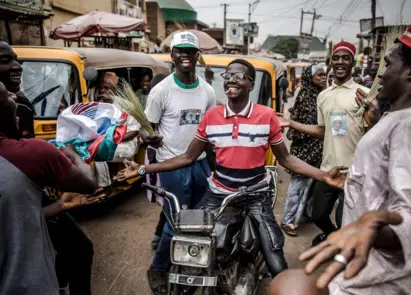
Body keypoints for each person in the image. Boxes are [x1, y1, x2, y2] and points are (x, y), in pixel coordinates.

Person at [270, 15, 411, 294]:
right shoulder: (397, 117)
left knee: (289, 285)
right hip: (364, 267)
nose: (380, 74)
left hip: (377, 277)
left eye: (388, 65)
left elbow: (408, 218)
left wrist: (369, 228)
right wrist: (353, 181)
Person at [115, 58, 345, 281]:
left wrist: (323, 175)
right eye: (228, 76)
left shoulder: (266, 116)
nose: (231, 80)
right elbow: (188, 157)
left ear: (251, 85)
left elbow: (286, 160)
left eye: (238, 76)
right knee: (192, 246)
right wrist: (145, 169)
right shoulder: (210, 118)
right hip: (218, 194)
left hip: (256, 195)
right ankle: (164, 272)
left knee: (275, 257)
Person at [0, 82, 98, 294]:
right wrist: (74, 154)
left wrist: (60, 205)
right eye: (6, 95)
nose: (15, 97)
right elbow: (89, 183)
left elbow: (17, 213)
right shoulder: (30, 154)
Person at [140, 31, 216, 295]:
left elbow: (211, 131)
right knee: (178, 222)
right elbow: (145, 127)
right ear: (172, 56)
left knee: (200, 220)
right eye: (179, 51)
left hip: (200, 163)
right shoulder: (161, 91)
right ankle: (158, 268)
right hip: (172, 165)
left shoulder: (207, 91)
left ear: (198, 56)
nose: (185, 55)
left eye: (190, 51)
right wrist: (149, 138)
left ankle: (188, 262)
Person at [278, 41, 370, 246]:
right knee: (318, 215)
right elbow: (323, 131)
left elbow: (372, 130)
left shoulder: (363, 93)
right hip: (328, 170)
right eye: (336, 58)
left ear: (353, 62)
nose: (340, 62)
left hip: (354, 172)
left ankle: (342, 253)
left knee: (344, 220)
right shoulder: (323, 96)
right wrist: (292, 123)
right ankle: (333, 238)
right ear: (331, 62)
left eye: (345, 58)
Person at [281, 64, 326, 237]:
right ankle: (287, 221)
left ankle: (303, 214)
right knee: (298, 186)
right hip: (305, 149)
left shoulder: (318, 95)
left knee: (310, 186)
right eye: (319, 75)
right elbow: (305, 125)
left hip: (316, 149)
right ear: (310, 77)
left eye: (324, 74)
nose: (323, 77)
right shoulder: (307, 96)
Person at [144, 73, 168, 250]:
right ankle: (161, 236)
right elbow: (144, 131)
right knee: (169, 200)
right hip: (161, 158)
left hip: (157, 157)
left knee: (168, 201)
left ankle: (159, 235)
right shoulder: (155, 104)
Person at [0, 41, 35, 139]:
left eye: (16, 60)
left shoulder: (23, 104)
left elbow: (28, 147)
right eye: (4, 60)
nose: (18, 67)